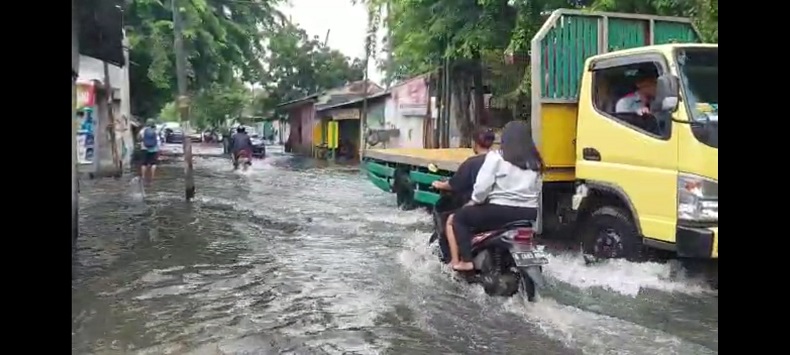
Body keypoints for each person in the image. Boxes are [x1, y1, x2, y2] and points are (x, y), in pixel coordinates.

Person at [451, 121, 543, 271]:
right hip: (528, 214)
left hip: (499, 212)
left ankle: (466, 261)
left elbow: (482, 188)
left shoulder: (496, 157)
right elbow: (537, 190)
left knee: (459, 218)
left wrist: (475, 201)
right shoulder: (535, 162)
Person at [431, 127, 496, 265]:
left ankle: (456, 262)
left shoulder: (472, 163)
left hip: (480, 210)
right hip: (501, 209)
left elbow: (454, 184)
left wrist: (439, 185)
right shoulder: (500, 161)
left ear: (475, 143)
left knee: (451, 220)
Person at [139, 119, 160, 183]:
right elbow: (158, 140)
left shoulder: (142, 130)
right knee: (153, 163)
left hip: (144, 148)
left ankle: (143, 177)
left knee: (144, 163)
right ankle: (152, 177)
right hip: (154, 149)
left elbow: (139, 138)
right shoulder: (155, 131)